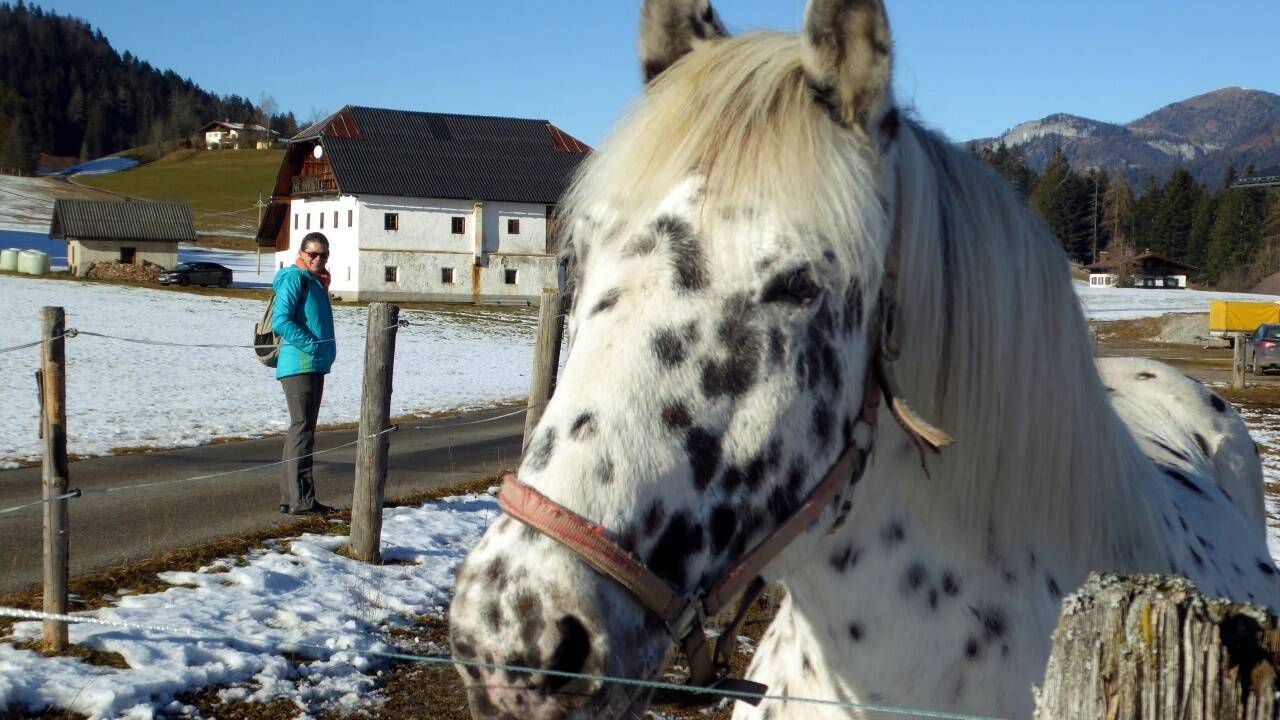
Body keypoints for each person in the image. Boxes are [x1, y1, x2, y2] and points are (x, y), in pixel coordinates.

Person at [273, 232, 337, 515]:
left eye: (323, 254)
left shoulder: (316, 281)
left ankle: (293, 498)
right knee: (302, 430)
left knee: (301, 430)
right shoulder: (295, 278)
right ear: (301, 253)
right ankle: (302, 500)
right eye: (312, 253)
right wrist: (311, 345)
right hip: (300, 363)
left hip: (312, 363)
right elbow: (281, 320)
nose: (318, 259)